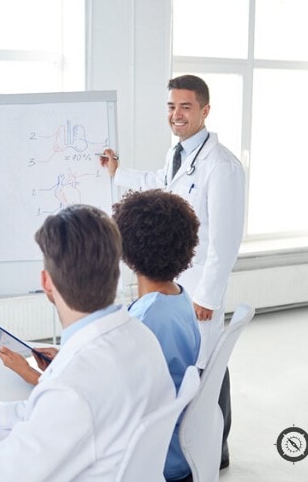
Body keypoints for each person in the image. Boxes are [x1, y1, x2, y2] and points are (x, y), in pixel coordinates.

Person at [0, 204, 175, 480]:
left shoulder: (73, 386)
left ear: (46, 281)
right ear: (115, 272)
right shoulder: (140, 336)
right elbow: (50, 413)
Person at [100, 74, 245, 468]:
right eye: (171, 106)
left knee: (208, 365)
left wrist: (208, 295)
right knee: (197, 364)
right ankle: (202, 442)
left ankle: (217, 447)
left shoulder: (222, 166)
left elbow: (227, 240)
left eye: (185, 106)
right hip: (177, 276)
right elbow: (159, 184)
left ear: (204, 110)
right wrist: (118, 173)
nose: (176, 114)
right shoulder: (177, 154)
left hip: (198, 286)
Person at [112, 189, 201, 482]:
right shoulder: (178, 298)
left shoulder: (146, 320)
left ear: (127, 250)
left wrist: (31, 374)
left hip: (153, 460)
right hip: (178, 450)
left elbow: (106, 400)